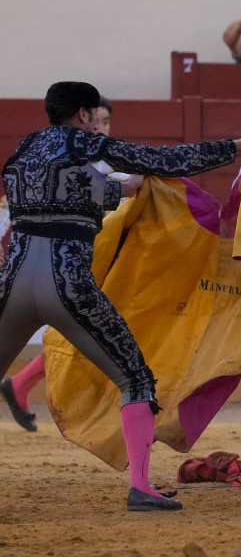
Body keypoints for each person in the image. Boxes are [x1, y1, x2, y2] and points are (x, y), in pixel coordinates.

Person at [0, 81, 241, 511]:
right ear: (87, 115)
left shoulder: (22, 152)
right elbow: (166, 161)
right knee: (134, 378)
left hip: (11, 284)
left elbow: (68, 192)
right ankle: (142, 487)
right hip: (66, 282)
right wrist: (235, 147)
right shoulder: (87, 143)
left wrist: (120, 191)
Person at [0, 94, 139, 433]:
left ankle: (21, 383)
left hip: (107, 260)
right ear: (84, 119)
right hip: (77, 265)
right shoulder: (86, 162)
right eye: (98, 121)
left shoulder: (107, 160)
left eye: (107, 122)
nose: (101, 128)